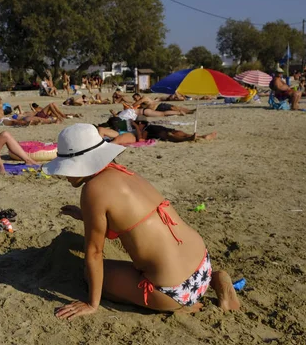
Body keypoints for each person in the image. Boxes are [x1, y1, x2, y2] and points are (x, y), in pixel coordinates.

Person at [42, 124, 240, 320]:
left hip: (174, 289)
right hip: (202, 264)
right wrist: (86, 216)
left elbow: (94, 252)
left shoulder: (93, 189)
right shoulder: (123, 172)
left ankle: (187, 304)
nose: (64, 175)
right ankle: (215, 279)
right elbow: (130, 216)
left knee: (89, 274)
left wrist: (92, 304)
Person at [131, 93, 196, 116]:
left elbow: (136, 104)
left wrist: (132, 105)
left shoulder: (143, 98)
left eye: (135, 98)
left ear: (138, 96)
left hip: (159, 106)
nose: (135, 100)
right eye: (134, 99)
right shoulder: (141, 103)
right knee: (174, 108)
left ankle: (189, 111)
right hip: (157, 110)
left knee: (175, 107)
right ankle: (188, 111)